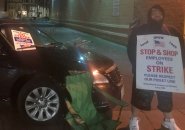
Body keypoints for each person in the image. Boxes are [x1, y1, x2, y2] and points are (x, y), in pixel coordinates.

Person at [127, 4, 185, 130]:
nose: (157, 15)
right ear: (149, 15)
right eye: (154, 13)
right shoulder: (139, 30)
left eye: (159, 13)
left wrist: (179, 67)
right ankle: (133, 121)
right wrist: (137, 66)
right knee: (138, 96)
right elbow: (131, 49)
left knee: (166, 97)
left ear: (163, 16)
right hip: (144, 72)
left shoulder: (171, 31)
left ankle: (168, 121)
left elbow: (181, 51)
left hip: (165, 74)